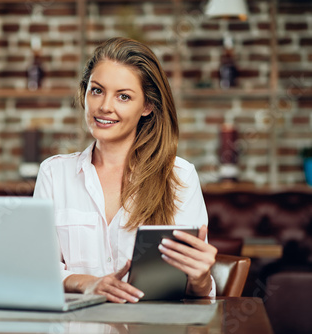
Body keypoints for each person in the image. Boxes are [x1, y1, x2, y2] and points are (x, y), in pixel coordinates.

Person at [33, 37, 217, 303]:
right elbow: (38, 269)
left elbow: (196, 291)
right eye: (97, 90)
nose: (105, 106)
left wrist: (200, 277)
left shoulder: (179, 176)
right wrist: (88, 284)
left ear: (147, 106)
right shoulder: (54, 173)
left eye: (123, 96)